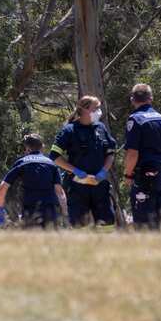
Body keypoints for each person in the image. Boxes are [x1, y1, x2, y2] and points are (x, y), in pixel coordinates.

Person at [50, 95, 118, 229]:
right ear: (85, 110)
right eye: (96, 108)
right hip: (77, 187)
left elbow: (110, 153)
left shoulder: (101, 128)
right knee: (79, 225)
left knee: (107, 224)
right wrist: (75, 170)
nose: (99, 111)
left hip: (99, 185)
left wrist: (104, 170)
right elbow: (54, 156)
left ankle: (107, 248)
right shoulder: (69, 130)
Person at [121, 84, 161, 230]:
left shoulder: (135, 119)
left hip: (143, 176)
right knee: (157, 219)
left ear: (132, 99)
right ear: (151, 99)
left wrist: (128, 174)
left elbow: (132, 153)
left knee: (142, 222)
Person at [0, 133, 66, 229]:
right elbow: (60, 192)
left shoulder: (22, 162)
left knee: (31, 241)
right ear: (42, 148)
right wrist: (65, 214)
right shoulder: (51, 164)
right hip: (50, 209)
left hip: (30, 209)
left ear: (27, 149)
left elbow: (3, 186)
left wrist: (0, 210)